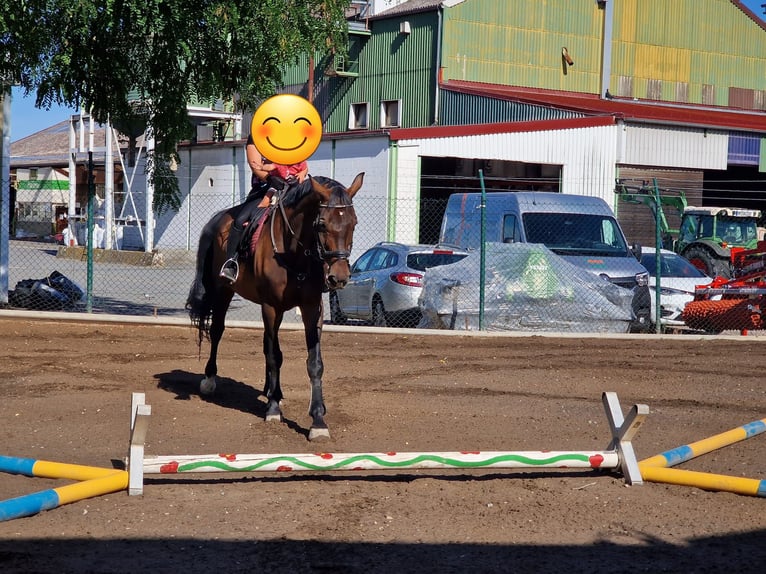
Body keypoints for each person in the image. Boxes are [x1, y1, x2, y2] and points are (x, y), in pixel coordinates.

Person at [219, 135, 309, 283]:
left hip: (293, 188)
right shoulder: (255, 138)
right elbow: (256, 165)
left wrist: (301, 175)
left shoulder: (292, 136)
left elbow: (303, 166)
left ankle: (319, 264)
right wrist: (270, 178)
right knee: (241, 220)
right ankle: (231, 262)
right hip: (264, 188)